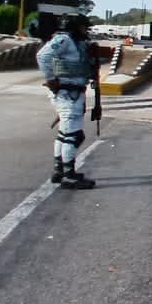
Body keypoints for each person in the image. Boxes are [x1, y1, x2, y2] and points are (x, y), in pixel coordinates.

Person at [35, 14, 97, 190]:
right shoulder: (65, 39)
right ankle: (69, 176)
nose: (86, 31)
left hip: (72, 93)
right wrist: (51, 79)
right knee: (73, 135)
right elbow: (43, 56)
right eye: (84, 27)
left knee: (64, 134)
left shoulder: (75, 42)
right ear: (75, 27)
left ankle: (59, 170)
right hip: (67, 93)